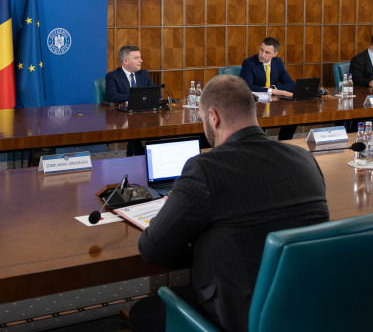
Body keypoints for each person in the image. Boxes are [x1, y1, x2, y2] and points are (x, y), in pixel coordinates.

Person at [129, 75, 328, 332]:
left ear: (213, 117)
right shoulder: (304, 159)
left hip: (242, 316)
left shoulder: (205, 168)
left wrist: (200, 250)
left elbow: (153, 249)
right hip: (305, 307)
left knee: (143, 312)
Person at [105, 45, 156, 156]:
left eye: (140, 57)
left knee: (155, 130)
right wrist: (136, 96)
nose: (141, 60)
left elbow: (156, 93)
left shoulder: (144, 74)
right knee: (133, 132)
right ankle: (141, 157)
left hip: (143, 116)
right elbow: (113, 96)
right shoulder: (112, 76)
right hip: (122, 118)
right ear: (125, 61)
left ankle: (147, 156)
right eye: (136, 58)